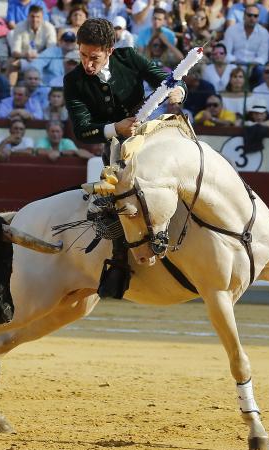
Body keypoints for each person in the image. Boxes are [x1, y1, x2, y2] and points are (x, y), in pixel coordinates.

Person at [64, 18, 185, 299]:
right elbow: (82, 129)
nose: (87, 64)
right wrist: (113, 128)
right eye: (82, 55)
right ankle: (119, 264)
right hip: (118, 146)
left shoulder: (128, 58)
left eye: (93, 57)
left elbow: (166, 80)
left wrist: (178, 91)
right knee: (116, 202)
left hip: (154, 132)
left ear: (110, 49)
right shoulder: (74, 81)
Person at [223, 4, 269, 85]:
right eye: (249, 15)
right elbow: (226, 53)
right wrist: (237, 64)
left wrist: (251, 66)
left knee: (262, 70)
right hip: (234, 64)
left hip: (254, 67)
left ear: (258, 18)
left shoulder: (264, 33)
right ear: (244, 16)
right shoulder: (232, 30)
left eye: (255, 16)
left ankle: (259, 95)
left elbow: (263, 57)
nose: (252, 18)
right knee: (228, 67)